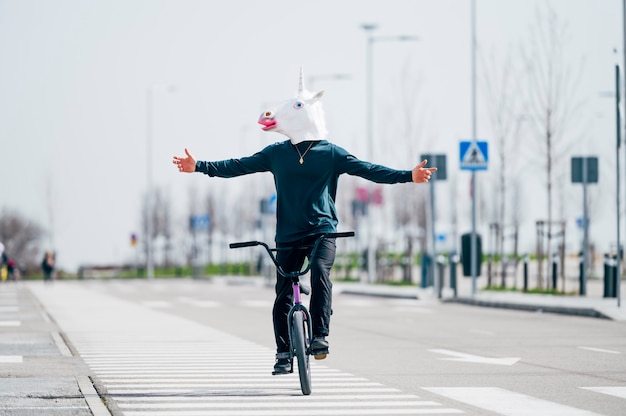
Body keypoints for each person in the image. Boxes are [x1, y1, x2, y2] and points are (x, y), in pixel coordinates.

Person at [172, 69, 436, 375]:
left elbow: (369, 170)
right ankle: (283, 352)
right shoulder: (276, 154)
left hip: (323, 232)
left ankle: (320, 336)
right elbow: (237, 166)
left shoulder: (331, 153)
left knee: (321, 273)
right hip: (288, 235)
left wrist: (409, 175)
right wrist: (199, 166)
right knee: (283, 292)